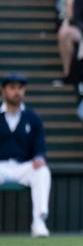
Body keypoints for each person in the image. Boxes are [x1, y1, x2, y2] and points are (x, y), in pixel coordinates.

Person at [0, 73, 51, 237]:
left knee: (42, 171)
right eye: (12, 88)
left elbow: (40, 147)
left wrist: (39, 158)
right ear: (3, 90)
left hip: (23, 167)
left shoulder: (33, 118)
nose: (17, 92)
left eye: (20, 88)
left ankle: (39, 222)